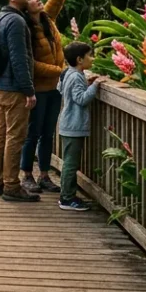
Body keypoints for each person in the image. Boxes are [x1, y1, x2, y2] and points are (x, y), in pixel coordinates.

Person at [20, 0, 79, 195]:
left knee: (47, 133)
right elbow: (30, 63)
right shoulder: (25, 27)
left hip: (54, 89)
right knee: (32, 133)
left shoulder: (47, 20)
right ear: (24, 5)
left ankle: (44, 174)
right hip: (38, 89)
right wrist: (60, 70)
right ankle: (27, 175)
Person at [0, 0, 39, 202]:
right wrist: (28, 89)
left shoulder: (1, 18)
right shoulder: (16, 21)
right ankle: (11, 185)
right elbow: (19, 59)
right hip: (14, 88)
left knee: (1, 135)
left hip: (0, 86)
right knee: (15, 137)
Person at [57, 42, 102, 212]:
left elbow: (62, 89)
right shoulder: (76, 76)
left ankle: (67, 195)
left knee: (70, 162)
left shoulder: (69, 73)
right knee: (71, 163)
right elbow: (81, 99)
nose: (93, 58)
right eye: (90, 55)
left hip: (68, 124)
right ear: (79, 59)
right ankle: (67, 198)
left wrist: (87, 83)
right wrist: (95, 86)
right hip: (73, 125)